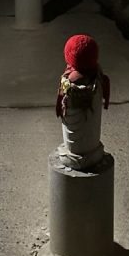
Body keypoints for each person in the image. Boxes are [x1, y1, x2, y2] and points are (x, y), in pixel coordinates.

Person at [55, 35, 110, 170]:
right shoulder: (98, 76)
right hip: (94, 151)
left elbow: (62, 109)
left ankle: (77, 158)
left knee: (73, 140)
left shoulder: (69, 82)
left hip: (72, 154)